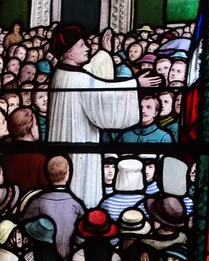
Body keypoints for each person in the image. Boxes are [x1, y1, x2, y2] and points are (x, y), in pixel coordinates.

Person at [48, 25, 145, 208]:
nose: (87, 48)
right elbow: (103, 93)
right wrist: (136, 83)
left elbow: (91, 76)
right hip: (79, 144)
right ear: (69, 53)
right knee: (80, 189)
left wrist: (104, 53)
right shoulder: (77, 79)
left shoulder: (62, 74)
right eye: (82, 46)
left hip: (66, 144)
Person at [21, 156, 85, 261]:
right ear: (67, 174)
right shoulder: (75, 205)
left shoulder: (37, 202)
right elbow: (82, 236)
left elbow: (25, 230)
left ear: (48, 174)